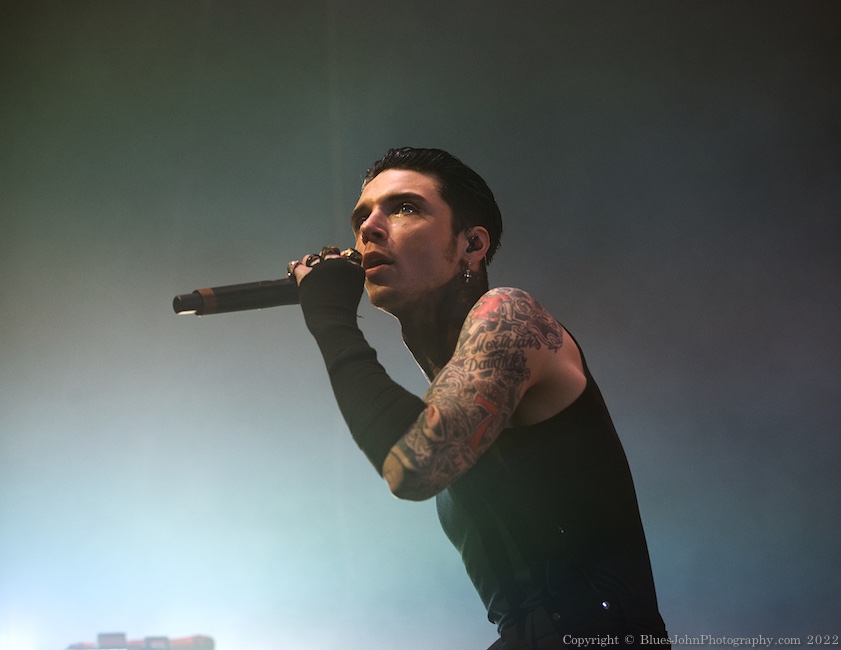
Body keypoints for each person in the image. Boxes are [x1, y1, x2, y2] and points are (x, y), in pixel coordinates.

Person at [288, 147, 669, 649]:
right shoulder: (448, 388)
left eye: (404, 208)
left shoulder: (510, 315)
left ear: (472, 244)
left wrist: (331, 319)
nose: (370, 229)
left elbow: (415, 463)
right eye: (362, 217)